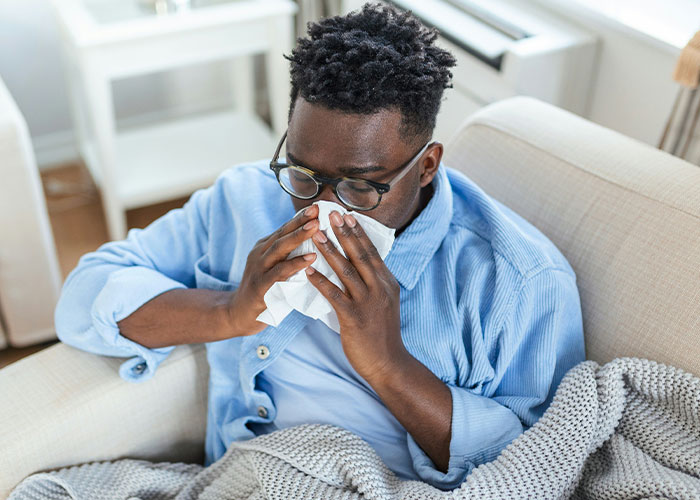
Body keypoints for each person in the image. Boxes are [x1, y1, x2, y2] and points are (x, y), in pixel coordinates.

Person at [55, 3, 585, 491]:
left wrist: (387, 363)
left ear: (426, 166)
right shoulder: (244, 199)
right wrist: (230, 313)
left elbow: (537, 464)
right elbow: (84, 296)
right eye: (304, 174)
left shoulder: (519, 279)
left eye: (361, 186)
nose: (322, 208)